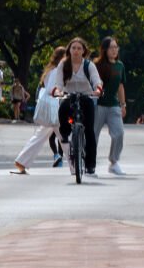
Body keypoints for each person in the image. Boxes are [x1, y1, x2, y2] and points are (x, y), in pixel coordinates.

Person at [13, 40, 100, 173]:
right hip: (56, 105)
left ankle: (22, 161)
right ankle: (75, 167)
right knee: (63, 139)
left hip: (52, 105)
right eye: (72, 50)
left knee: (47, 136)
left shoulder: (50, 71)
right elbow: (55, 88)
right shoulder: (60, 69)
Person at [93, 36, 128, 175]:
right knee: (93, 135)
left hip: (113, 105)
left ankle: (114, 162)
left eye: (116, 47)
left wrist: (123, 104)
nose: (114, 50)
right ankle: (90, 162)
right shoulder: (96, 65)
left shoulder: (120, 66)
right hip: (98, 105)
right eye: (111, 47)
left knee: (119, 133)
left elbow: (120, 86)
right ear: (105, 50)